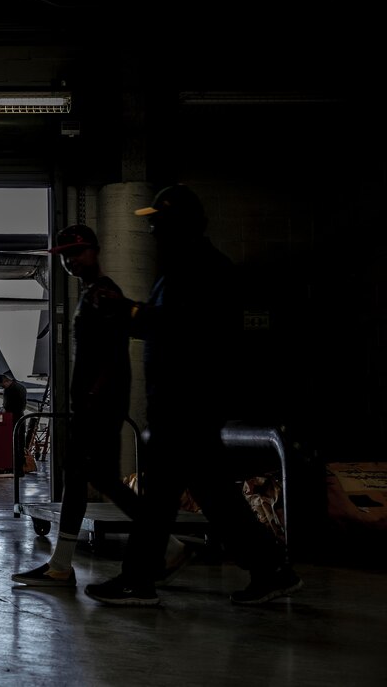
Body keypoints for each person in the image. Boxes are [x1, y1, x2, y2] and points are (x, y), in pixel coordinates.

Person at [84, 185, 301, 606]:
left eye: (157, 223)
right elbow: (164, 326)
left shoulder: (201, 268)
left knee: (163, 499)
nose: (151, 231)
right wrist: (127, 314)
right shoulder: (187, 266)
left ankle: (138, 580)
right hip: (184, 406)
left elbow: (180, 328)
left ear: (178, 224)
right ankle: (271, 569)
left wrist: (128, 309)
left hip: (187, 405)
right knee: (210, 495)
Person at [11, 224, 187, 588]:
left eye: (77, 253)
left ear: (95, 251)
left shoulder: (104, 296)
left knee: (99, 481)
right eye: (64, 257)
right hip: (93, 407)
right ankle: (62, 565)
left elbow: (122, 351)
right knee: (84, 480)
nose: (72, 262)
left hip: (99, 409)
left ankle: (166, 546)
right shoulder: (93, 294)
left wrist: (95, 403)